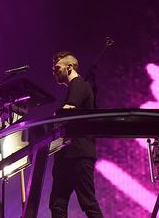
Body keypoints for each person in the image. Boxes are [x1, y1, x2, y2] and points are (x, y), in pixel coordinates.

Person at [49, 51, 103, 218]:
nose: (54, 71)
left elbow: (68, 111)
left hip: (78, 154)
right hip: (68, 154)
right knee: (57, 203)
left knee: (87, 202)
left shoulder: (79, 84)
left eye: (57, 67)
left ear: (69, 67)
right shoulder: (78, 86)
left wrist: (52, 119)